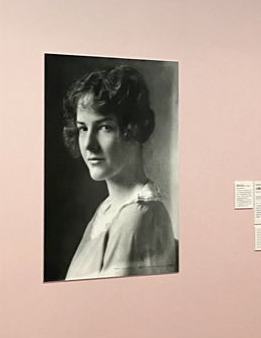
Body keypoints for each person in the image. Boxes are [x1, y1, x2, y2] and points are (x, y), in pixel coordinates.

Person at [62, 66, 177, 280]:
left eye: (104, 127)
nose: (88, 145)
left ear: (133, 130)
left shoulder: (139, 217)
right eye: (83, 128)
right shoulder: (106, 210)